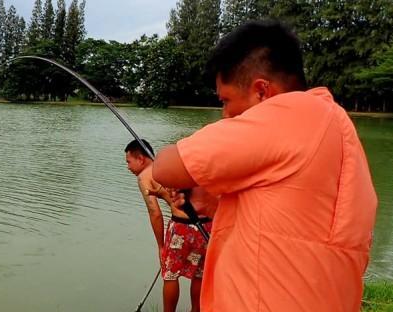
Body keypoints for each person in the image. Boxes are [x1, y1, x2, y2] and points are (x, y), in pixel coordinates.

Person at [151, 20, 378, 312]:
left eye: (226, 100)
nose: (225, 115)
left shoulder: (291, 114)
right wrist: (221, 205)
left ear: (262, 92)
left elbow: (166, 167)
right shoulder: (338, 129)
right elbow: (298, 228)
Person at [125, 139, 214, 312]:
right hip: (205, 226)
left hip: (181, 227)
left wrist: (160, 246)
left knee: (170, 274)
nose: (128, 167)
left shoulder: (145, 176)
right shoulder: (177, 167)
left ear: (140, 159)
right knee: (199, 274)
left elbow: (155, 213)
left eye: (129, 162)